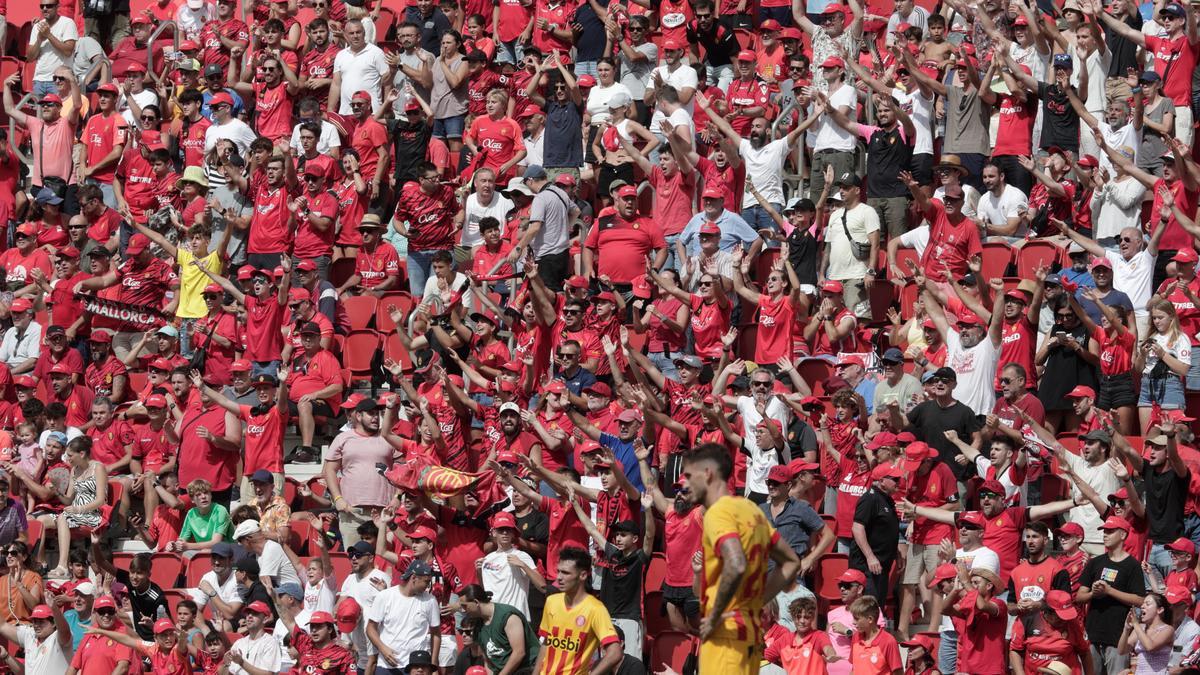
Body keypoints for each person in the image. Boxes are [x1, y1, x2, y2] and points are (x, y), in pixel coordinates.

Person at [682, 442, 801, 672]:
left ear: (707, 474)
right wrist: (759, 600)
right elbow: (791, 561)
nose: (685, 484)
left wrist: (715, 614)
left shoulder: (718, 512)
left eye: (689, 475)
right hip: (748, 635)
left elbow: (736, 564)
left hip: (724, 635)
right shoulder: (753, 511)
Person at [366, 559, 442, 673]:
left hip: (416, 668)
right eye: (426, 582)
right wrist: (383, 648)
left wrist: (433, 663)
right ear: (414, 578)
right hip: (387, 666)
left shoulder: (430, 600)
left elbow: (436, 633)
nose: (428, 586)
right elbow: (370, 628)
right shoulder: (385, 596)